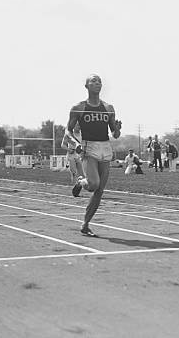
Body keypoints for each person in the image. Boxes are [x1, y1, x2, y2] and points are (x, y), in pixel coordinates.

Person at [67, 74, 121, 237]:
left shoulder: (109, 108)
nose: (97, 83)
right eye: (93, 81)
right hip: (88, 147)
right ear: (87, 86)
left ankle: (85, 224)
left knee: (99, 191)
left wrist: (118, 129)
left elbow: (115, 134)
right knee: (93, 184)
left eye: (99, 81)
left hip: (105, 147)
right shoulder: (79, 107)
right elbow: (68, 131)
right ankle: (81, 182)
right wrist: (76, 143)